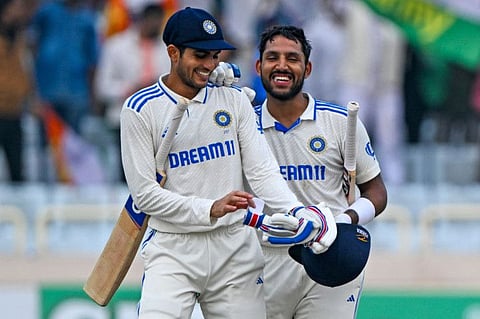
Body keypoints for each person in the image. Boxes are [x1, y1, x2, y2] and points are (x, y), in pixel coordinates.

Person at [119, 7, 336, 319]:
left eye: (215, 55)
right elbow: (145, 196)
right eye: (199, 55)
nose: (209, 65)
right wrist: (210, 208)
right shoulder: (140, 109)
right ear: (173, 52)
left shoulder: (232, 99)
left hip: (235, 249)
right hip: (173, 249)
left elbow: (261, 171)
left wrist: (296, 210)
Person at [252, 25, 387, 318]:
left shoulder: (339, 122)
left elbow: (376, 193)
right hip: (262, 261)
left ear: (308, 67)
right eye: (273, 57)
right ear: (259, 66)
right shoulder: (242, 125)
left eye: (292, 58)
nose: (282, 66)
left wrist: (341, 220)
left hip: (330, 255)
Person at [95, 3, 169, 182]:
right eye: (153, 21)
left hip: (160, 120)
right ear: (142, 20)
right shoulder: (117, 46)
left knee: (157, 173)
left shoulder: (167, 49)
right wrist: (131, 89)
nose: (156, 26)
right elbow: (103, 86)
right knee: (128, 173)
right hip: (125, 115)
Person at [0, 0, 31, 182]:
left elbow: (25, 71)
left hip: (15, 112)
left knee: (17, 170)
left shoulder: (19, 38)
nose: (21, 12)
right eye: (17, 7)